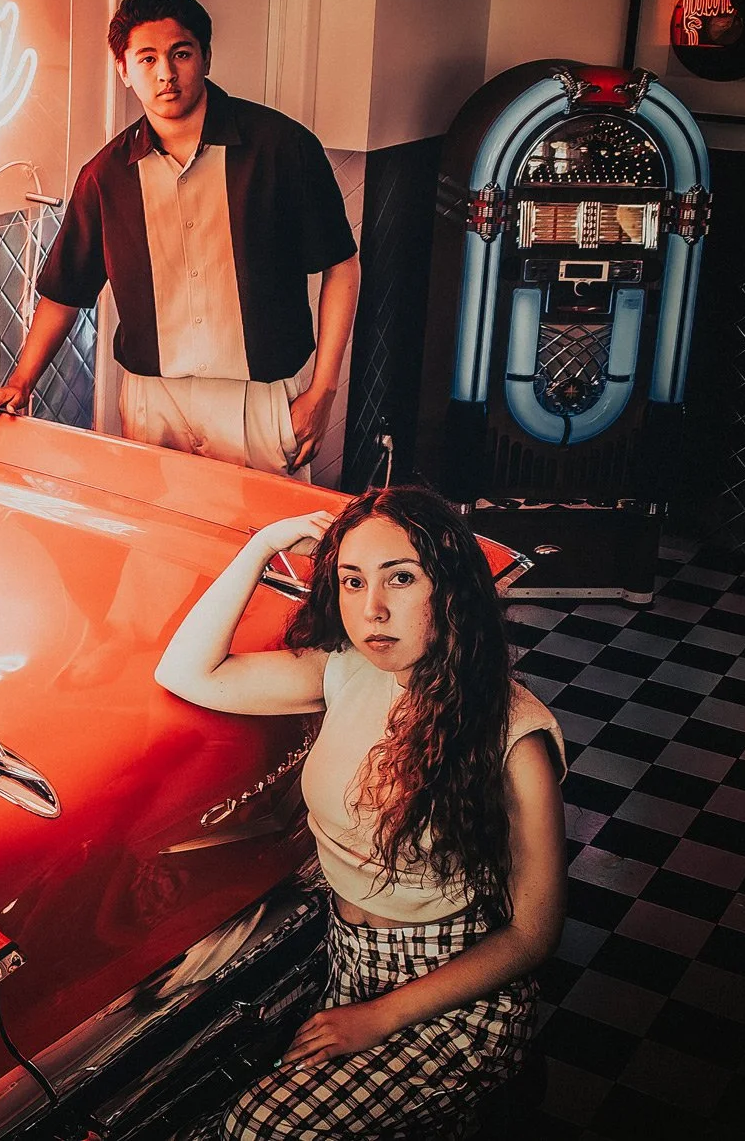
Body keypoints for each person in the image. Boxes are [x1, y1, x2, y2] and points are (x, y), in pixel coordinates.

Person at [154, 486, 564, 1140]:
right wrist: (262, 545)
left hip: (456, 993)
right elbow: (188, 671)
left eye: (400, 577)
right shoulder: (345, 669)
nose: (371, 608)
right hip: (351, 960)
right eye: (351, 580)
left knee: (258, 1127)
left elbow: (532, 935)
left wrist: (380, 1017)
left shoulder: (515, 738)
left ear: (450, 587)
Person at [0, 0, 359, 478]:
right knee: (158, 548)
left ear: (205, 58)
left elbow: (340, 265)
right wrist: (22, 382)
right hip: (153, 401)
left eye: (180, 54)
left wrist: (323, 390)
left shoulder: (281, 148)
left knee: (270, 548)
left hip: (259, 400)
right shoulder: (106, 176)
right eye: (146, 59)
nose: (166, 73)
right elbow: (65, 291)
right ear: (124, 70)